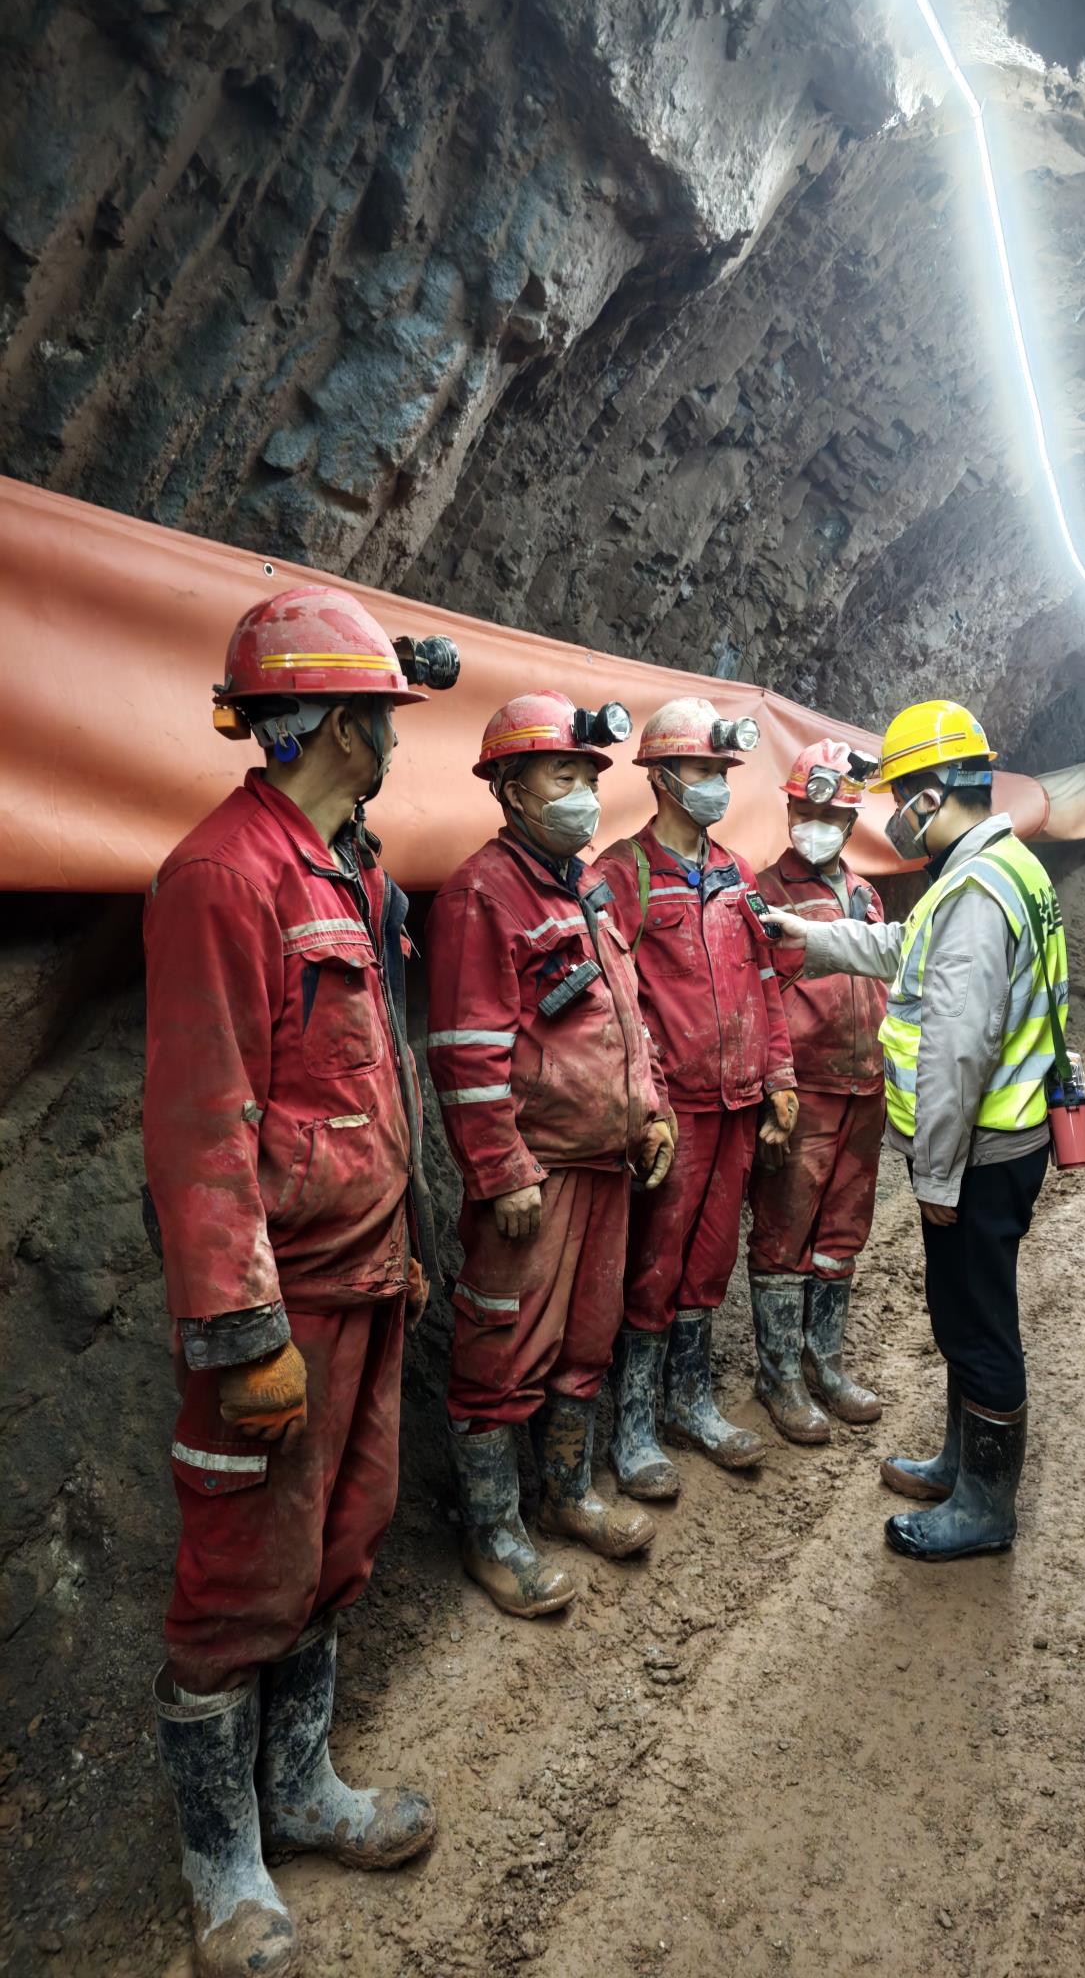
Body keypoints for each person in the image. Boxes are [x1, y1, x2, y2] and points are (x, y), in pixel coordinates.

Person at [143, 586, 445, 1978]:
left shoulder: (347, 872)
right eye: (380, 711)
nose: (392, 733)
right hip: (281, 1306)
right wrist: (242, 1329)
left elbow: (374, 1084)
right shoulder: (224, 876)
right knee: (238, 1578)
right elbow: (202, 1121)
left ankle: (303, 1789)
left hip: (364, 1277)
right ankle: (223, 1868)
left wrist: (409, 1239)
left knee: (339, 1540)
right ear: (331, 724)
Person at [767, 700, 1067, 1562]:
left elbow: (957, 1051)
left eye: (901, 796)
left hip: (981, 1151)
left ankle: (984, 1507)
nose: (894, 814)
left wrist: (936, 1176)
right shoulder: (1006, 868)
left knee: (976, 1323)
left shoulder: (974, 889)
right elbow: (911, 946)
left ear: (933, 794)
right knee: (967, 1314)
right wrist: (815, 937)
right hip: (1008, 1140)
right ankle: (959, 1465)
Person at [426, 693, 676, 1618]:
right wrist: (500, 1171)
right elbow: (465, 1050)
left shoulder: (585, 889)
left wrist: (650, 1112)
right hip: (536, 1176)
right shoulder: (481, 895)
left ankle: (568, 1494)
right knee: (502, 1352)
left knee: (586, 1341)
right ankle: (494, 1533)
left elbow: (627, 1017)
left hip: (606, 1163)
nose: (582, 794)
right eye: (561, 775)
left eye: (588, 777)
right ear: (510, 788)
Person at [596, 697, 798, 1498]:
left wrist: (779, 1078)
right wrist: (647, 1104)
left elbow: (765, 981)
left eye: (722, 770)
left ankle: (689, 1403)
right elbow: (615, 1005)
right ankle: (635, 1427)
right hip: (673, 1114)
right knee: (654, 1265)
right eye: (703, 769)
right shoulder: (623, 874)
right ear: (663, 777)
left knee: (710, 1261)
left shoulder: (737, 875)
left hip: (738, 1104)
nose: (716, 782)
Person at [747, 739, 886, 1444]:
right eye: (805, 810)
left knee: (841, 1235)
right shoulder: (764, 893)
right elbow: (756, 999)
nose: (816, 823)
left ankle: (823, 1363)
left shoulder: (865, 894)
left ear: (852, 820)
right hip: (805, 1092)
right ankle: (779, 1377)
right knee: (784, 1232)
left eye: (831, 814)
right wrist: (774, 1088)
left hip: (867, 1087)